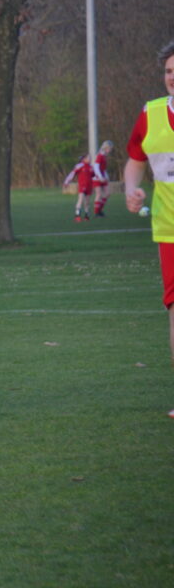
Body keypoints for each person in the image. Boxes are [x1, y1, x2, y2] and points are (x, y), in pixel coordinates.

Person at [124, 39, 174, 418]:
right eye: (168, 71)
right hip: (169, 229)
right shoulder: (151, 113)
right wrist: (131, 188)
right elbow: (135, 159)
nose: (172, 77)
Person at [63, 154, 97, 222]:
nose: (90, 159)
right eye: (88, 158)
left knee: (87, 202)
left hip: (89, 186)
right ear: (84, 159)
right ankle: (77, 216)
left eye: (90, 158)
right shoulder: (80, 166)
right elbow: (72, 173)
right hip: (82, 186)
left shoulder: (91, 167)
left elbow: (94, 176)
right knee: (81, 199)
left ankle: (87, 216)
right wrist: (66, 182)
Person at [92, 140, 114, 216]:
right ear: (106, 147)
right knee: (98, 194)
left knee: (107, 193)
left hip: (103, 177)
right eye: (110, 148)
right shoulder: (100, 155)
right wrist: (100, 177)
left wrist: (106, 176)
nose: (111, 150)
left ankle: (99, 210)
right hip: (97, 178)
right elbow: (96, 167)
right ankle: (96, 212)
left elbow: (103, 169)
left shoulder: (104, 156)